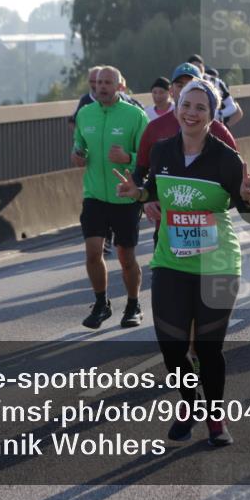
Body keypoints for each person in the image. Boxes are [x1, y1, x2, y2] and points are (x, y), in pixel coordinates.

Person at [115, 79, 250, 447]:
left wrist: (249, 197)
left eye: (200, 107)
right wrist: (139, 194)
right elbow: (155, 189)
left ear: (213, 115)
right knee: (171, 346)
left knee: (209, 349)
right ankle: (191, 403)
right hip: (171, 261)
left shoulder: (226, 159)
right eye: (186, 104)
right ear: (177, 107)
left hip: (218, 264)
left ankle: (215, 418)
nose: (191, 113)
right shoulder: (163, 150)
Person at [72, 66, 150, 329]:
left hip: (125, 196)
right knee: (93, 253)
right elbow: (78, 147)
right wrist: (77, 156)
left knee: (125, 257)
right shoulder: (85, 113)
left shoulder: (135, 115)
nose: (101, 87)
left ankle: (133, 304)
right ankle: (101, 304)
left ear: (119, 87)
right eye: (98, 82)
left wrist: (128, 157)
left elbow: (149, 158)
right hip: (94, 195)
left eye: (107, 83)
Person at [134, 63, 237, 239]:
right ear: (171, 90)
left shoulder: (219, 131)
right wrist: (146, 200)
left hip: (209, 233)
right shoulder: (155, 128)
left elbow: (237, 185)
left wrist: (208, 205)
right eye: (179, 85)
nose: (184, 90)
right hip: (167, 231)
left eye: (191, 85)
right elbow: (140, 173)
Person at [187, 55, 243, 128]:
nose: (197, 70)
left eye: (199, 67)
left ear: (203, 67)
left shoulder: (216, 83)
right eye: (194, 67)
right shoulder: (184, 82)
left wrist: (218, 114)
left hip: (214, 126)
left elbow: (233, 107)